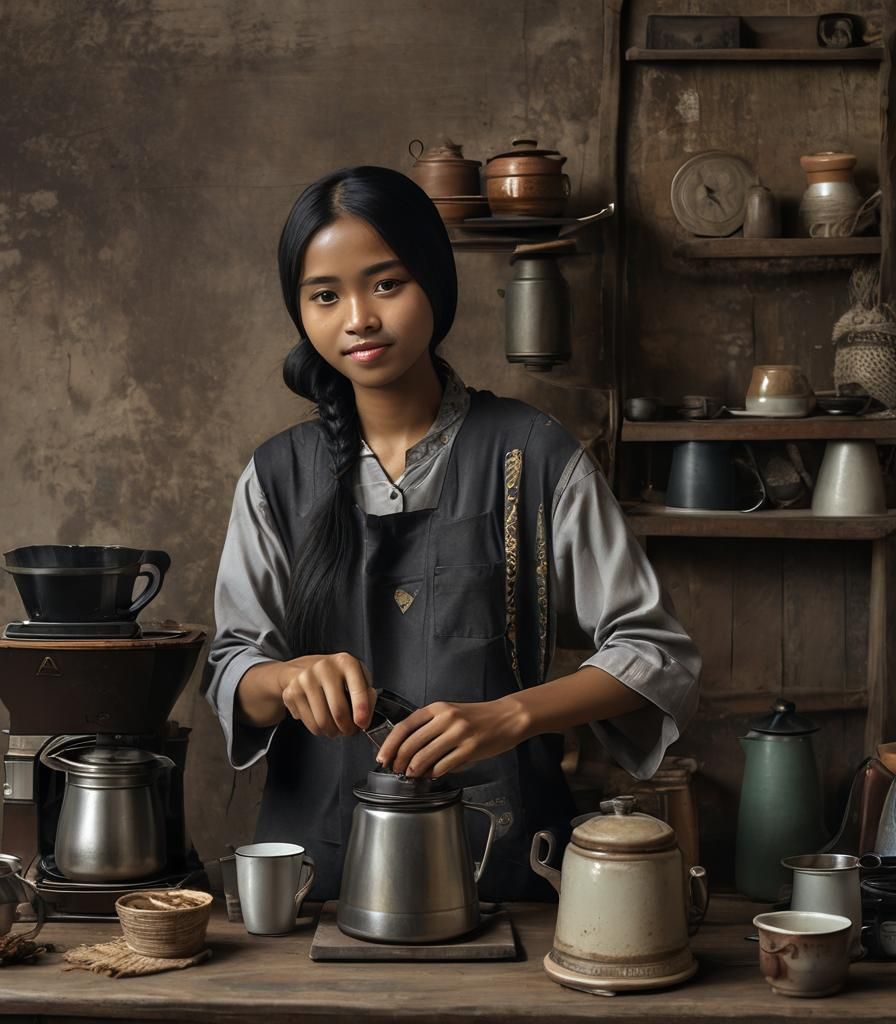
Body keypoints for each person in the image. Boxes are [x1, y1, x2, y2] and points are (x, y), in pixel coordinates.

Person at [206, 165, 700, 901]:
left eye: (386, 283)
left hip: (509, 878)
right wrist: (284, 679)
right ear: (301, 313)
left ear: (436, 283)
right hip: (318, 886)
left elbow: (654, 653)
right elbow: (230, 670)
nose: (358, 319)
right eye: (324, 295)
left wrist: (515, 714)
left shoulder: (534, 455)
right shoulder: (277, 476)